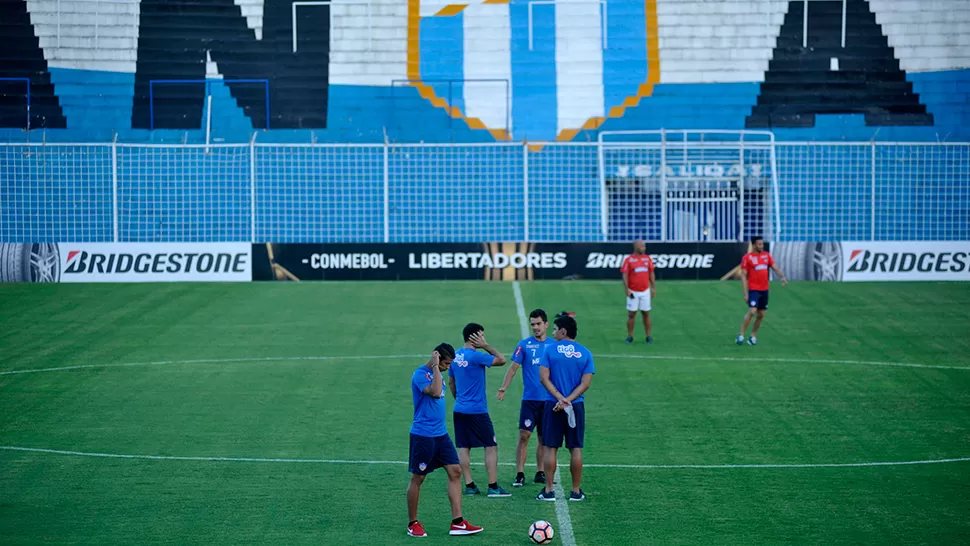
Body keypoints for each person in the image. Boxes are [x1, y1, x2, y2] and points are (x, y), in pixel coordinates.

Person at [407, 344, 483, 537]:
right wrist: (434, 367)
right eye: (446, 363)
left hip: (441, 434)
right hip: (423, 435)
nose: (448, 367)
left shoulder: (438, 371)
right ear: (437, 359)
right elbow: (434, 391)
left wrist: (437, 368)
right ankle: (412, 523)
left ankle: (457, 522)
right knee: (418, 478)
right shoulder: (420, 374)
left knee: (455, 471)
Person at [536, 315, 595, 502]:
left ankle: (548, 490)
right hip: (575, 406)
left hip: (552, 405)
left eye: (555, 329)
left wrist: (559, 399)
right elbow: (585, 384)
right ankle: (576, 491)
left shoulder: (549, 350)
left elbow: (543, 378)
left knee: (550, 447)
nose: (553, 333)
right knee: (575, 448)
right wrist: (568, 400)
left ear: (563, 331)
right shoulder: (585, 353)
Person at [448, 323, 511, 497]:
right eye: (481, 336)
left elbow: (452, 383)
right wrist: (486, 346)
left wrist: (460, 400)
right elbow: (502, 360)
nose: (483, 338)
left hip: (459, 409)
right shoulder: (476, 356)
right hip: (477, 410)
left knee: (464, 447)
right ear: (474, 337)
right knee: (490, 445)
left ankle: (469, 486)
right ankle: (493, 487)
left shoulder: (454, 357)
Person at [496, 309, 555, 487]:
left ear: (546, 324)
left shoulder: (553, 345)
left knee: (543, 438)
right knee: (524, 435)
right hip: (530, 399)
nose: (535, 327)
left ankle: (540, 471)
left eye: (538, 324)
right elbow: (513, 368)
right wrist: (503, 388)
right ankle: (520, 473)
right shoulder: (524, 345)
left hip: (548, 400)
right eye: (533, 325)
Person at [737, 236, 788, 346]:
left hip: (764, 290)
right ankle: (741, 335)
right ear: (754, 245)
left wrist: (782, 277)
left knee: (761, 314)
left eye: (762, 244)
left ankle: (752, 336)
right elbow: (743, 276)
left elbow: (774, 268)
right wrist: (745, 293)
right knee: (752, 311)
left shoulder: (766, 256)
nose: (762, 246)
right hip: (753, 289)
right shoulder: (747, 258)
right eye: (759, 244)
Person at [621, 239, 656, 344]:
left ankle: (648, 336)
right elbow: (625, 275)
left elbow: (651, 273)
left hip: (645, 290)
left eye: (644, 246)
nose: (644, 248)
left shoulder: (647, 259)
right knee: (631, 314)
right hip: (633, 291)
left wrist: (653, 287)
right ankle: (630, 336)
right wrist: (627, 289)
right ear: (636, 247)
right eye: (642, 246)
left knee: (646, 313)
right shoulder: (629, 260)